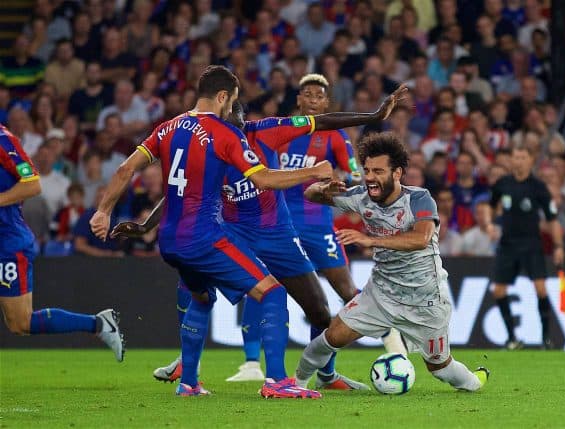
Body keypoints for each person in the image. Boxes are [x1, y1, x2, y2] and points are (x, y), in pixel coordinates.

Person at [113, 87, 408, 389]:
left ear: (245, 123)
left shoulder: (267, 130)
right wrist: (146, 225)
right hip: (233, 233)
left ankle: (326, 375)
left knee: (320, 311)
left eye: (239, 127)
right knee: (194, 288)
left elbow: (322, 121)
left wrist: (372, 116)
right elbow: (182, 192)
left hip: (278, 234)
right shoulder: (211, 143)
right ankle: (191, 365)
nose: (234, 134)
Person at [90, 65, 332, 399]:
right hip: (204, 238)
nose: (232, 109)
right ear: (221, 96)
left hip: (170, 240)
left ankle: (188, 383)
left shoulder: (167, 128)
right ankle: (277, 381)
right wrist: (312, 171)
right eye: (231, 102)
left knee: (201, 299)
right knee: (272, 292)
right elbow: (262, 179)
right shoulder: (224, 134)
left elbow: (125, 168)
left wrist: (103, 211)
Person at [294, 131, 489, 392]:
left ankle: (476, 381)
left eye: (378, 171)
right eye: (367, 170)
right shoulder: (361, 197)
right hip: (381, 292)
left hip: (425, 298)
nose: (370, 177)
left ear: (397, 173)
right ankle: (296, 384)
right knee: (332, 336)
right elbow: (310, 195)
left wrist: (371, 240)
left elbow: (421, 238)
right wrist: (322, 189)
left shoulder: (418, 198)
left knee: (440, 368)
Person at [278, 73, 406, 353]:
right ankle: (252, 364)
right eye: (307, 94)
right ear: (298, 99)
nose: (312, 100)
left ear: (326, 103)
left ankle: (392, 340)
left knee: (346, 291)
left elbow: (354, 174)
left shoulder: (335, 136)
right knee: (268, 292)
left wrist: (337, 184)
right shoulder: (281, 130)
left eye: (319, 96)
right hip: (280, 226)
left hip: (317, 226)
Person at [0, 124, 124, 361]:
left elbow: (32, 184)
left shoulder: (5, 141)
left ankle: (99, 324)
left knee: (20, 322)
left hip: (7, 243)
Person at [490, 146, 564, 350]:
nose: (519, 161)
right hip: (507, 244)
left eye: (523, 157)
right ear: (511, 160)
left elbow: (552, 218)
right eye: (516, 157)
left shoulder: (538, 187)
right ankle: (512, 338)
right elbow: (491, 205)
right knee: (498, 291)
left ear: (530, 161)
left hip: (532, 243)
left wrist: (558, 245)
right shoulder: (502, 184)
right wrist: (490, 224)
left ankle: (546, 338)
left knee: (540, 288)